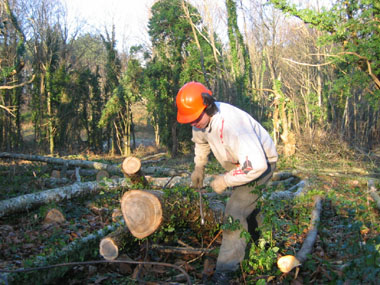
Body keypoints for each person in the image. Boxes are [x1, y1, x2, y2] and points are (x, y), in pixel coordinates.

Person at [176, 81, 278, 284]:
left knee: (234, 212)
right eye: (190, 120)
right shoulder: (200, 121)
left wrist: (225, 180)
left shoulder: (233, 125)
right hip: (239, 163)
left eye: (195, 118)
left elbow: (255, 166)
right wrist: (199, 167)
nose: (193, 123)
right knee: (248, 207)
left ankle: (226, 270)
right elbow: (201, 141)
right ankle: (265, 246)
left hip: (261, 164)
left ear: (208, 106)